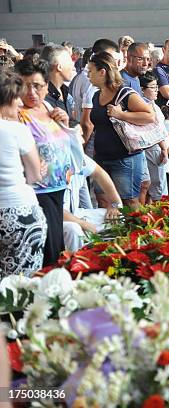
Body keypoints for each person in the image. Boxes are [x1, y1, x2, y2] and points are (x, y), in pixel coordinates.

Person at [15, 58, 73, 266]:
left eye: (37, 86)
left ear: (46, 86)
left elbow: (65, 140)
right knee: (49, 245)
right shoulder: (16, 114)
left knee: (56, 243)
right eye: (24, 86)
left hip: (58, 186)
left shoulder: (48, 106)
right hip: (37, 189)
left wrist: (64, 122)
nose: (31, 92)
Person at [88, 51, 155, 209]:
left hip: (125, 158)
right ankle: (111, 233)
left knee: (130, 201)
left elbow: (149, 116)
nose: (88, 75)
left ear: (102, 72)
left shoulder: (124, 93)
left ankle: (136, 232)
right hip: (101, 157)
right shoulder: (96, 96)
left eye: (91, 71)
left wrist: (121, 114)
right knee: (103, 200)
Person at [0, 69, 46, 276]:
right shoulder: (16, 130)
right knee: (21, 289)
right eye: (16, 97)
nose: (20, 103)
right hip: (17, 213)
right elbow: (35, 175)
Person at [139, 72, 169, 202]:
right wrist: (163, 149)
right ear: (142, 89)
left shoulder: (152, 103)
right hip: (154, 148)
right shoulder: (145, 105)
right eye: (152, 87)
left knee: (152, 187)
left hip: (155, 147)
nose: (156, 90)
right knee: (158, 189)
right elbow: (155, 129)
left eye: (157, 86)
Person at [40, 44, 77, 126]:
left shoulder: (65, 91)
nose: (73, 65)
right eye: (70, 61)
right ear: (59, 67)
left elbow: (69, 121)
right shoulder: (42, 97)